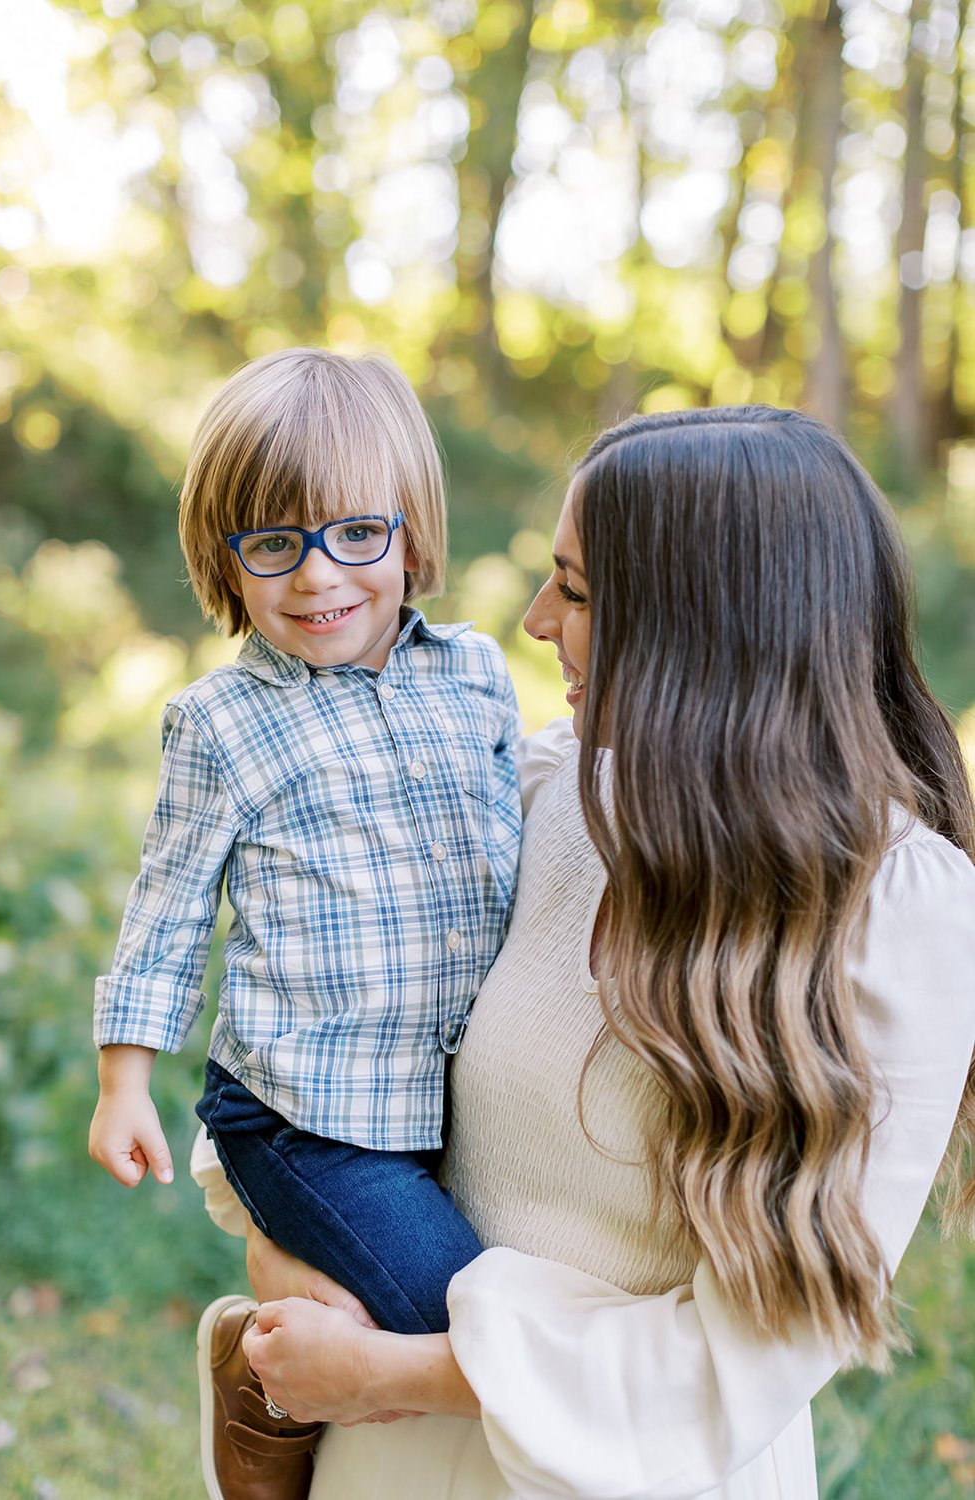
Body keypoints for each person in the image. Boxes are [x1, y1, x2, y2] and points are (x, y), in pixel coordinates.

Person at [195, 404, 975, 1500]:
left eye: (576, 591)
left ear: (705, 626)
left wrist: (389, 1369)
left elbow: (746, 1360)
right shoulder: (534, 789)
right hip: (386, 1458)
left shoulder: (897, 918)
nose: (530, 621)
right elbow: (305, 1050)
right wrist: (294, 1281)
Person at [88, 350, 523, 1373]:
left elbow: (527, 839)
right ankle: (266, 1341)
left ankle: (301, 1366)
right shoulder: (223, 722)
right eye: (276, 544)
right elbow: (168, 910)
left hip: (449, 1091)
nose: (320, 575)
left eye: (357, 532)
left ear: (410, 529)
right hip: (306, 1115)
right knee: (461, 1319)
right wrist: (123, 1081)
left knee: (486, 1302)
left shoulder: (476, 674)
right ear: (223, 556)